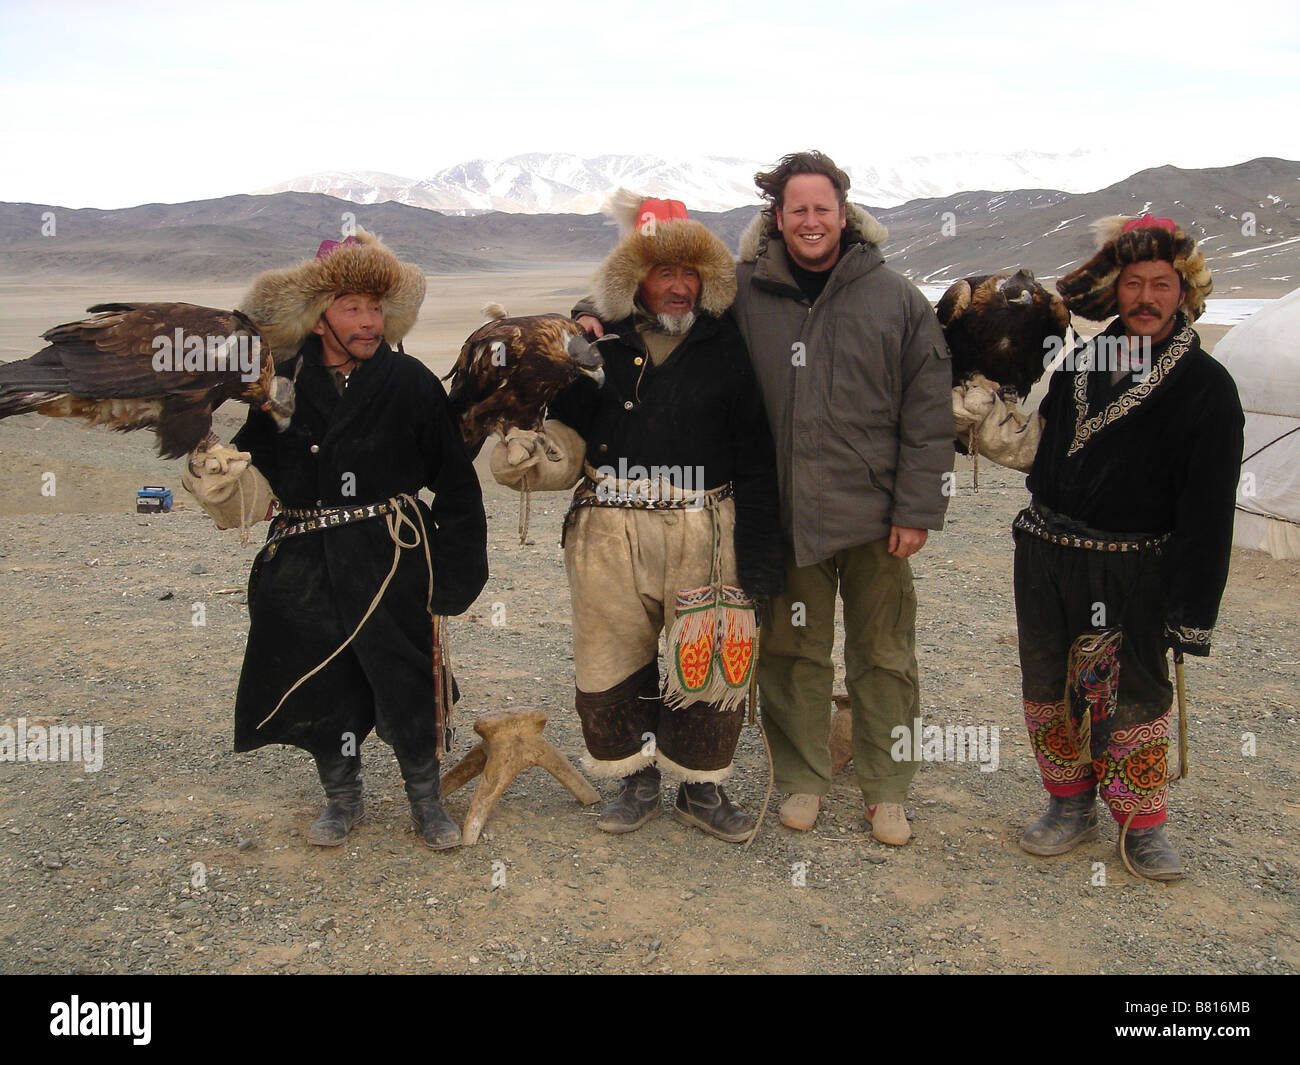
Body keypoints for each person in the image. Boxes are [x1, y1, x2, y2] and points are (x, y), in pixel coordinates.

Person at [954, 213, 1244, 879]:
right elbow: (1045, 452)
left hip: (1134, 568)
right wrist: (983, 423)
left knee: (1130, 693)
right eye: (1134, 283)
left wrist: (1190, 608)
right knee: (1049, 685)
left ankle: (1143, 824)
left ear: (1184, 293)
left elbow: (1208, 515)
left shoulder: (1207, 389)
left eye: (1161, 284)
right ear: (1115, 289)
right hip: (1048, 553)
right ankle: (1069, 803)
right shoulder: (1082, 359)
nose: (1146, 298)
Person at [184, 231, 488, 850]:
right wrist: (213, 469)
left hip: (392, 556)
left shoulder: (410, 383)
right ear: (319, 315)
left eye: (377, 308)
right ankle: (342, 797)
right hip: (304, 557)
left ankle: (426, 803)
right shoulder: (281, 386)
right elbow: (253, 461)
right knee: (319, 677)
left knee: (407, 679)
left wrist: (455, 575)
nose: (370, 321)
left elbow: (456, 485)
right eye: (353, 307)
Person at [495, 194, 783, 842]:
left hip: (705, 529)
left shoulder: (726, 347)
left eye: (689, 272)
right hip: (609, 530)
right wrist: (532, 454)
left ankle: (701, 789)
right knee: (611, 658)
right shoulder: (603, 348)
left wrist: (762, 555)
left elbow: (758, 457)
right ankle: (635, 778)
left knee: (710, 657)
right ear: (638, 281)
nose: (679, 285)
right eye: (663, 272)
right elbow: (567, 435)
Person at [728, 151, 954, 844]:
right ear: (776, 216)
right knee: (794, 652)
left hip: (876, 518)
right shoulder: (742, 294)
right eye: (796, 208)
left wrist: (918, 509)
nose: (810, 220)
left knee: (884, 655)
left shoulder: (895, 298)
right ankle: (801, 778)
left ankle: (887, 789)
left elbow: (929, 411)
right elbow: (661, 307)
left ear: (844, 212)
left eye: (821, 207)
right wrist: (593, 316)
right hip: (786, 515)